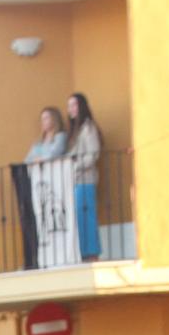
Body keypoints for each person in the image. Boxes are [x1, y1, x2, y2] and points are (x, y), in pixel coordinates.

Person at [65, 92, 102, 262]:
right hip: (75, 181)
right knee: (79, 219)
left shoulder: (88, 128)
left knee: (87, 218)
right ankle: (83, 253)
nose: (70, 109)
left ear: (82, 106)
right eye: (69, 106)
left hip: (85, 180)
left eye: (74, 105)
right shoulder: (74, 132)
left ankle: (91, 254)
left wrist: (75, 166)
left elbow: (93, 154)